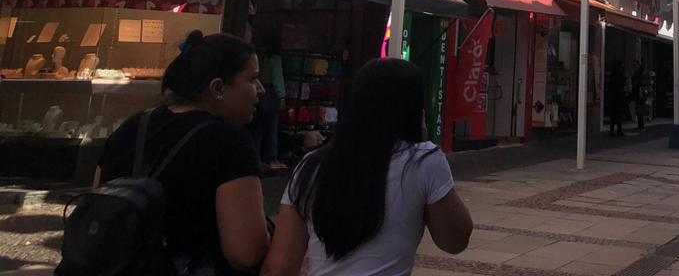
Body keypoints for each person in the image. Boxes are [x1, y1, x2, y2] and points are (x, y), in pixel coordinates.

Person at [263, 58, 473, 276]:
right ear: (413, 109)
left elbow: (279, 267)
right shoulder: (422, 161)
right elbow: (455, 240)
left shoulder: (310, 165)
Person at [95, 31, 270, 275]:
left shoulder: (131, 128)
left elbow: (98, 204)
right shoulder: (230, 142)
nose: (261, 90)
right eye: (252, 79)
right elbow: (246, 253)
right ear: (217, 87)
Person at [252, 32, 286, 172]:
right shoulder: (275, 59)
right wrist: (282, 97)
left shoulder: (260, 57)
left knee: (258, 127)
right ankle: (272, 158)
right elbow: (278, 79)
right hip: (271, 93)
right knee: (272, 127)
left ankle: (256, 158)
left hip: (259, 91)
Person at [606, 61, 628, 137]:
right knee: (618, 114)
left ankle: (613, 130)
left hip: (613, 97)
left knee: (613, 114)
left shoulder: (613, 75)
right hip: (618, 96)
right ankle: (618, 130)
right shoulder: (619, 75)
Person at [631, 62, 648, 132]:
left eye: (635, 66)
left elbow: (639, 84)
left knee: (639, 109)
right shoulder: (640, 74)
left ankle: (641, 125)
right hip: (639, 93)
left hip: (639, 93)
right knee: (639, 109)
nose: (634, 67)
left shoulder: (638, 74)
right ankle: (640, 125)